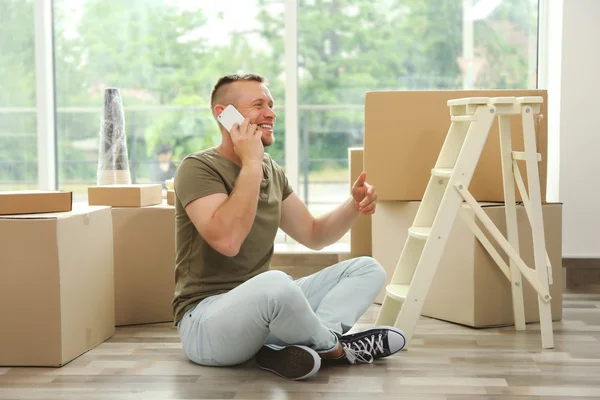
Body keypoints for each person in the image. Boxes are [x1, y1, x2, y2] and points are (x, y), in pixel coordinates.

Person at [172, 73, 405, 381]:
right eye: (258, 104)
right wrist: (252, 162)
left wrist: (353, 205)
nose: (271, 113)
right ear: (224, 114)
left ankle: (299, 345)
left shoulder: (272, 170)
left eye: (271, 104)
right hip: (204, 321)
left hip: (262, 310)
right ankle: (336, 348)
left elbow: (314, 235)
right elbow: (227, 241)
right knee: (276, 283)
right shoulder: (198, 168)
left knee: (367, 268)